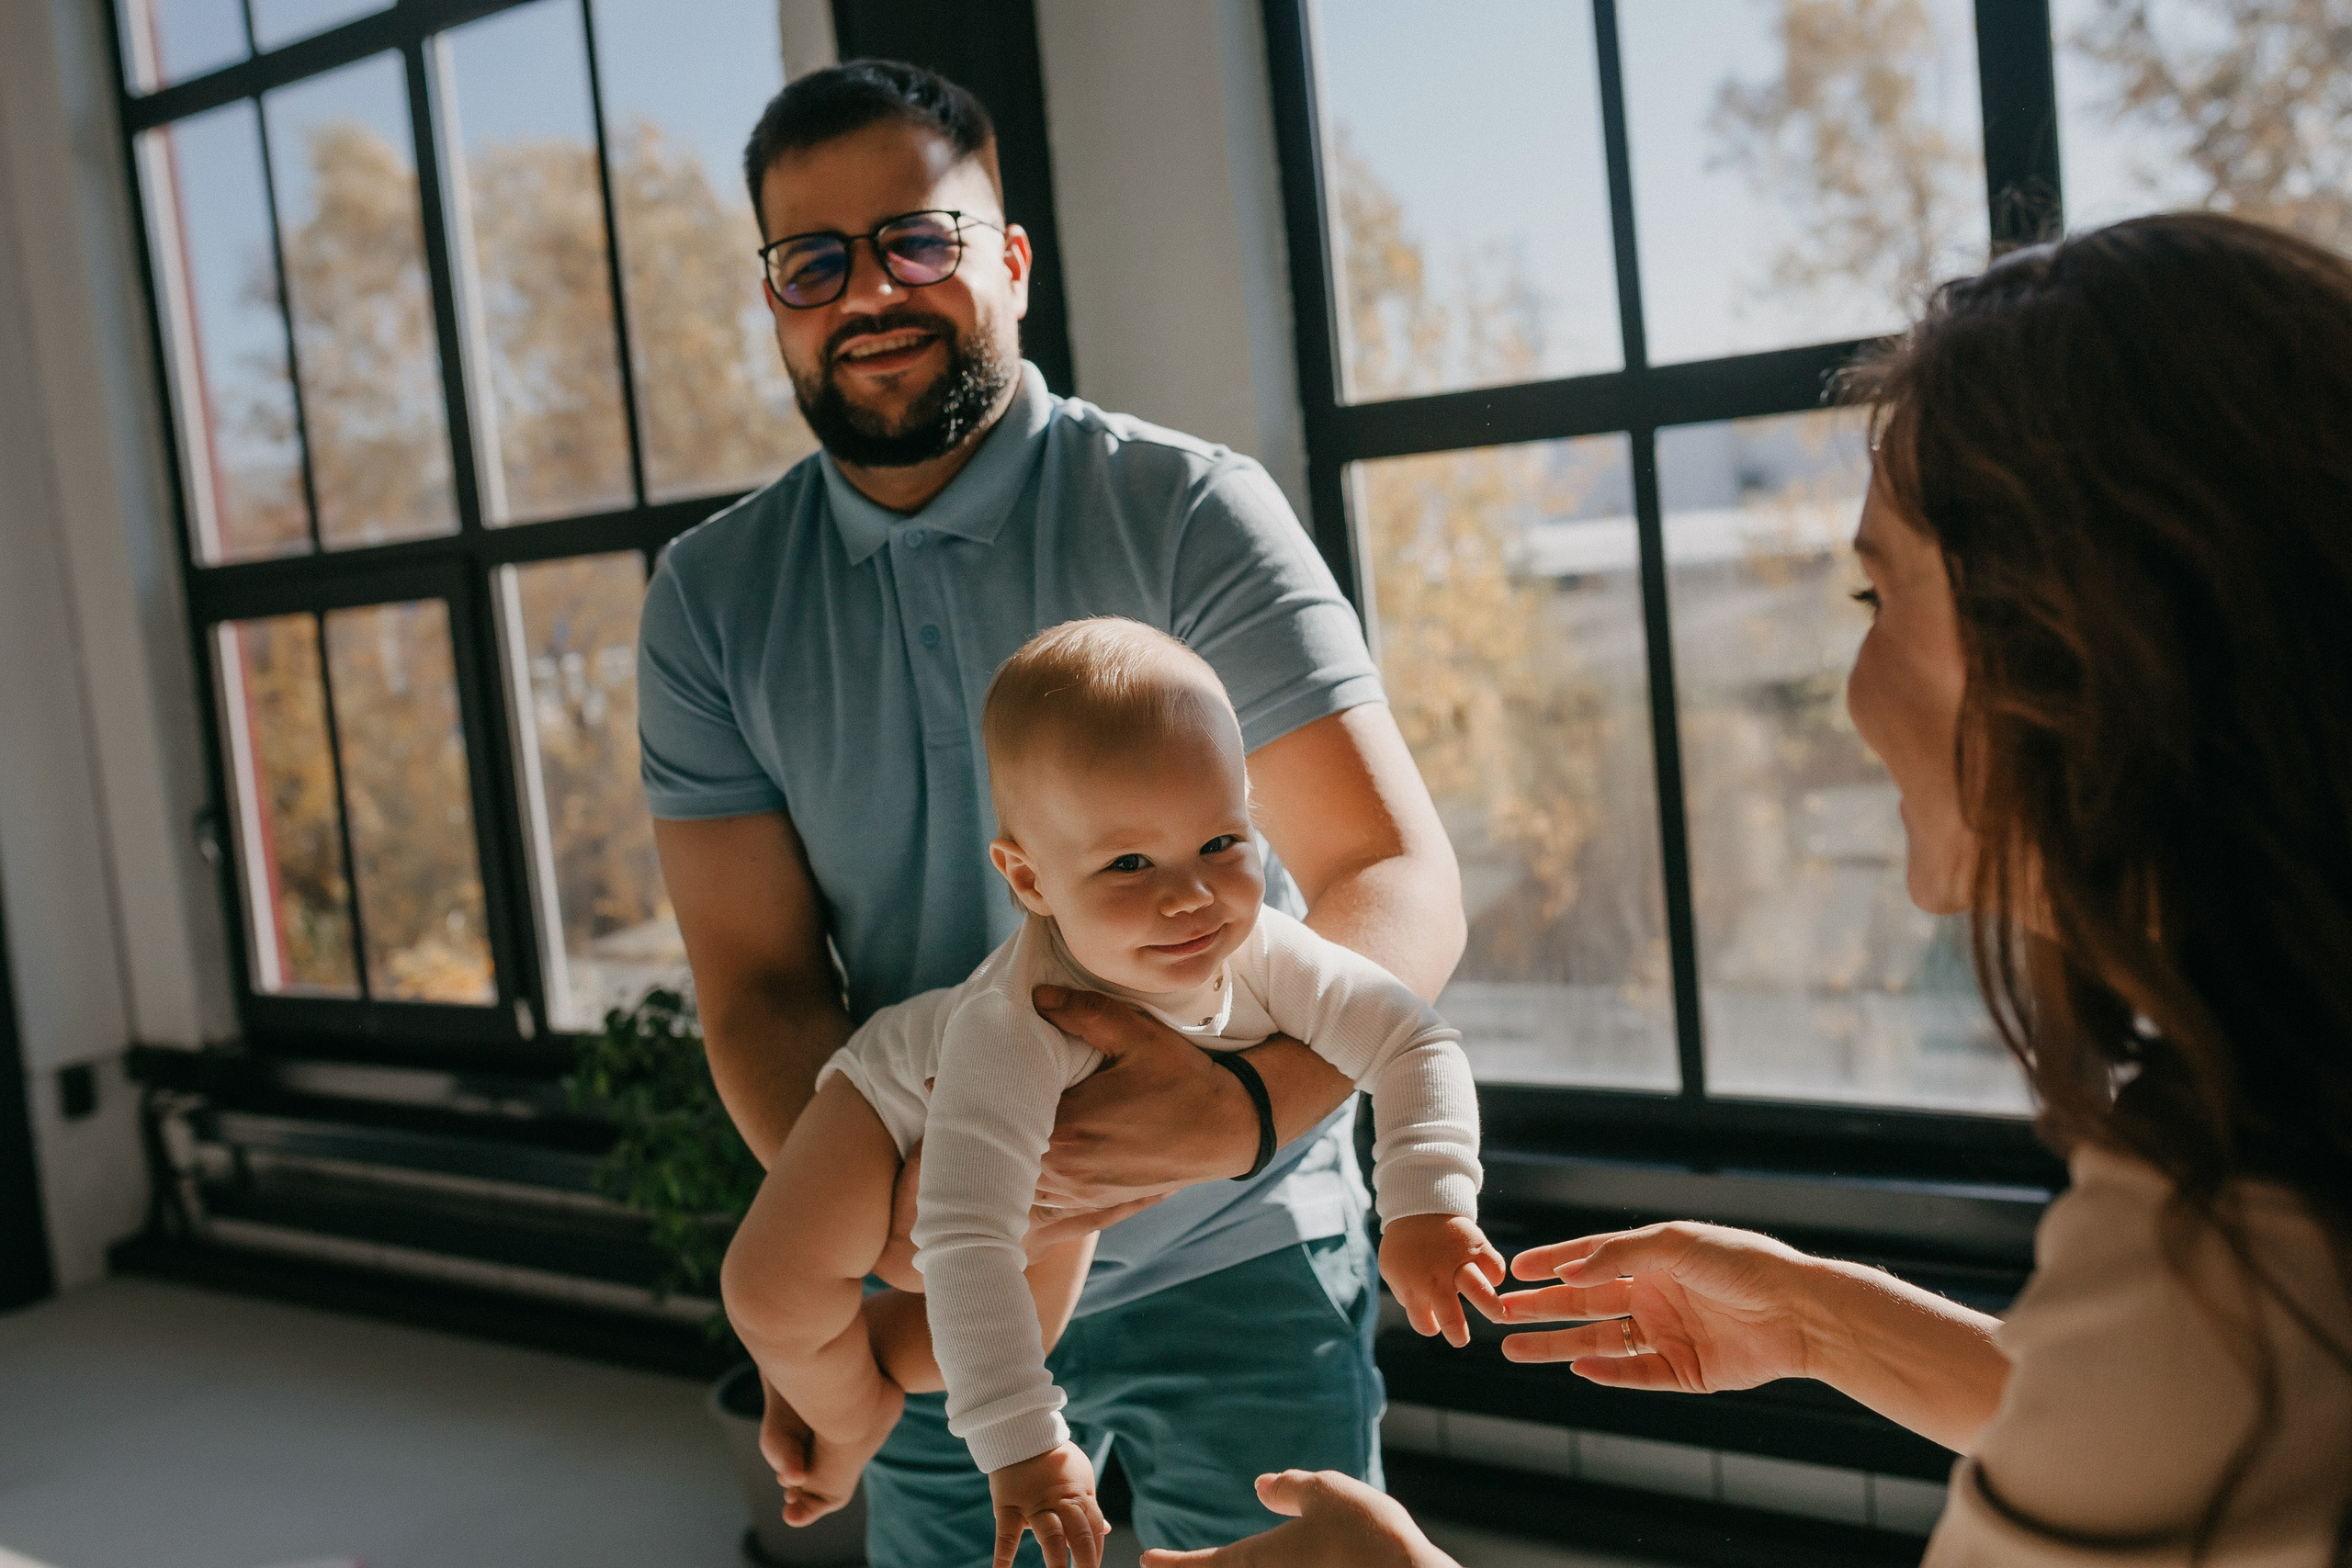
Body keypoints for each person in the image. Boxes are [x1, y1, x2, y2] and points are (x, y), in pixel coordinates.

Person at [1142, 213, 2352, 1568]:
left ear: (2073, 644)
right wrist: (1817, 1316)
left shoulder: (2219, 1251)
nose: (1850, 692)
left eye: (1874, 596)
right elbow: (2133, 1425)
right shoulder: (2281, 1147)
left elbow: (2172, 1389)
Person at [637, 59, 1466, 1568]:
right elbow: (758, 983)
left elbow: (1386, 869)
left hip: (1252, 1243)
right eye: (814, 261)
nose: (869, 290)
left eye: (921, 239)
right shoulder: (711, 601)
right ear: (775, 298)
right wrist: (872, 1236)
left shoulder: (1190, 509)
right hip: (949, 1269)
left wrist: (1245, 1106)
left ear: (1011, 259)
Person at [721, 620, 1498, 1568]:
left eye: (1221, 841)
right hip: (898, 1105)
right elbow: (964, 1237)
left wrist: (1428, 1201)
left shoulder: (1265, 950)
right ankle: (846, 1419)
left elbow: (1413, 1037)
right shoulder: (1017, 1025)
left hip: (1046, 1183)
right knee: (770, 1295)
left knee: (944, 1349)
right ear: (1028, 878)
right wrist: (1024, 1447)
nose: (1191, 897)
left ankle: (873, 1367)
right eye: (1130, 864)